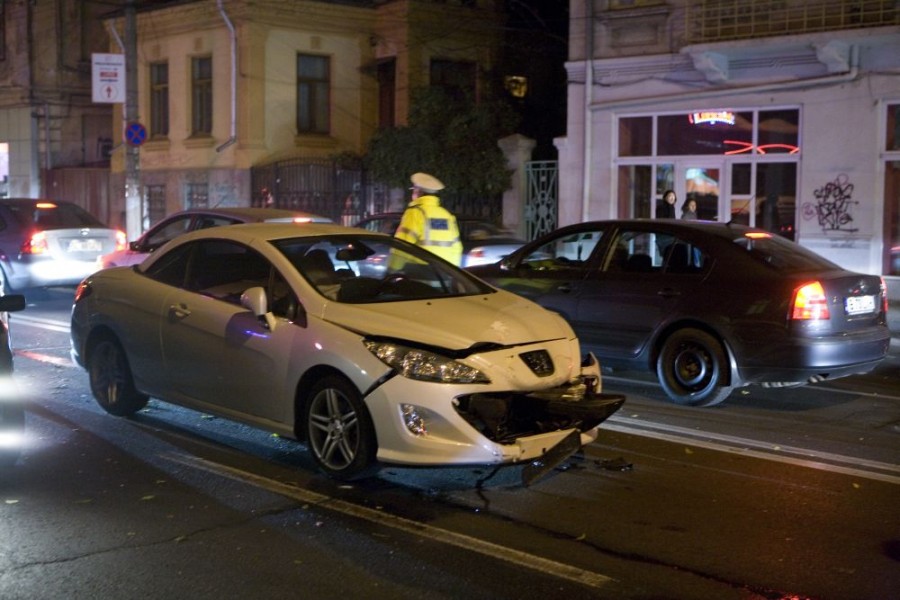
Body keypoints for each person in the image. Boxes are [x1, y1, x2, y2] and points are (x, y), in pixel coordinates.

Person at [394, 172, 463, 266]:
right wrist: (453, 273)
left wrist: (393, 268)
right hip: (445, 273)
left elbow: (402, 245)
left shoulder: (415, 213)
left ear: (418, 191)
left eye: (413, 189)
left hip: (420, 270)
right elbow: (457, 247)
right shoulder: (446, 215)